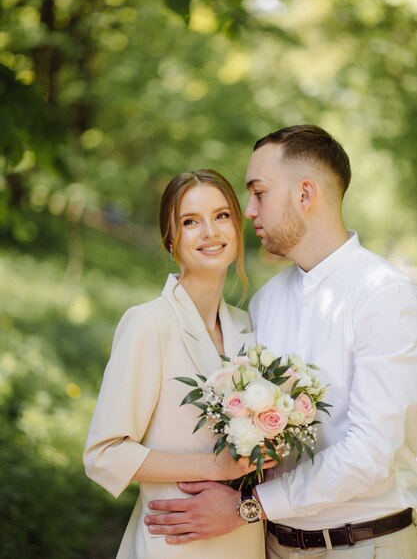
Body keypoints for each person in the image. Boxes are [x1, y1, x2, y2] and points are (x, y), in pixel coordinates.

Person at [144, 125, 417, 558]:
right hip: (271, 546)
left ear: (304, 194)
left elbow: (370, 453)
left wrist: (248, 507)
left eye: (258, 192)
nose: (247, 211)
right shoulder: (266, 302)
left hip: (363, 544)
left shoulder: (383, 293)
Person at [83, 168, 275, 559]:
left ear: (238, 228)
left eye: (222, 216)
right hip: (173, 545)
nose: (209, 232)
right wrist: (215, 466)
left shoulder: (249, 326)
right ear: (172, 240)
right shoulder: (148, 323)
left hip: (245, 539)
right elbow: (104, 454)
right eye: (191, 222)